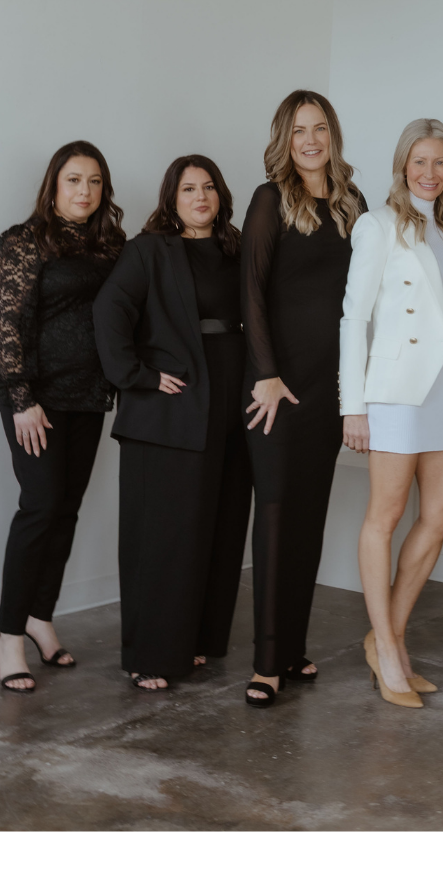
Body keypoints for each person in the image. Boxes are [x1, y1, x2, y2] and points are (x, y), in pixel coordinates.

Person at [340, 118, 443, 708]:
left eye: (440, 162)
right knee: (386, 514)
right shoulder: (377, 225)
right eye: (420, 161)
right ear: (403, 164)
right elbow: (354, 318)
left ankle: (388, 637)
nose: (430, 172)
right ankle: (388, 650)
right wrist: (353, 406)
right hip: (395, 390)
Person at [93, 156, 252, 691]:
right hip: (167, 413)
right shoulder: (149, 250)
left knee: (217, 530)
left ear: (221, 195)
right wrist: (137, 375)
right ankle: (150, 654)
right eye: (188, 189)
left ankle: (197, 640)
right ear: (171, 198)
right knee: (162, 538)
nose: (200, 197)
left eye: (208, 187)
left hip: (230, 407)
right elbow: (109, 310)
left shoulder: (236, 250)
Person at [241, 92, 366, 709]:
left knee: (310, 517)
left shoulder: (352, 203)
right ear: (284, 140)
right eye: (298, 131)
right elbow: (251, 291)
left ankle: (291, 646)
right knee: (275, 514)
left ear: (332, 135)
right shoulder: (270, 199)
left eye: (319, 129)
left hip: (328, 386)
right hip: (277, 387)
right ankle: (267, 663)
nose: (310, 140)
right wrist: (266, 374)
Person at [0, 142, 125, 692]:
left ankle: (39, 618)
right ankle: (8, 636)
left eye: (94, 182)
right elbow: (4, 323)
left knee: (66, 509)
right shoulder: (22, 241)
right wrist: (20, 398)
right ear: (53, 185)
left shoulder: (109, 245)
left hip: (87, 394)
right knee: (40, 506)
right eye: (73, 180)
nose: (84, 191)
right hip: (36, 398)